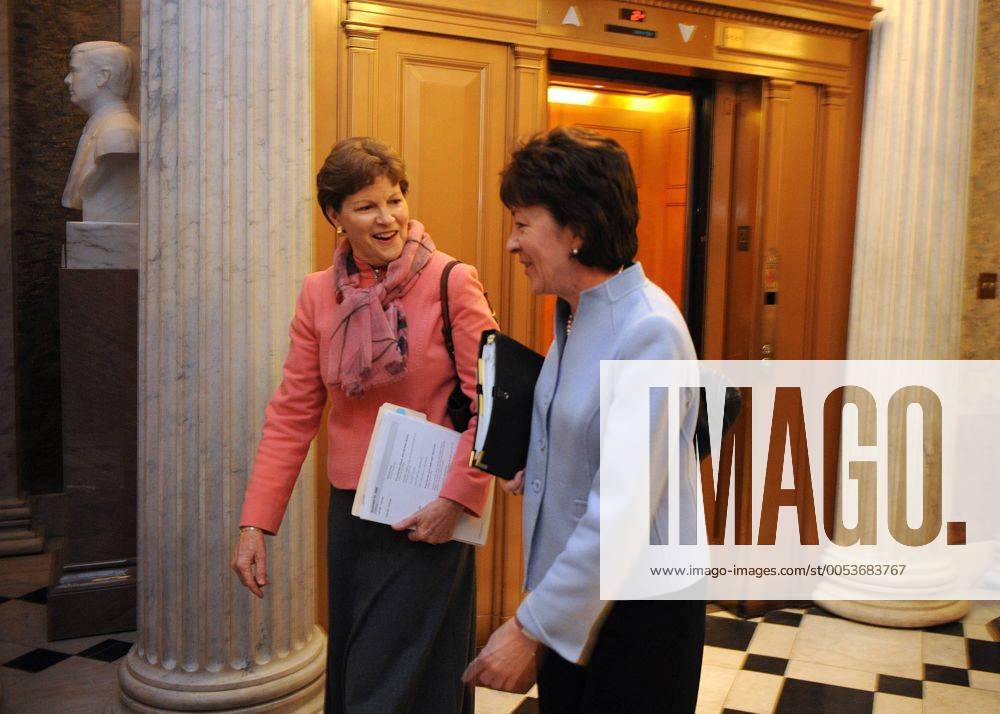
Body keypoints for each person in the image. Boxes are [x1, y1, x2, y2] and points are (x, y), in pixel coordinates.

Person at [231, 137, 496, 713]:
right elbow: (293, 412)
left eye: (395, 200)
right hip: (352, 516)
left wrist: (459, 498)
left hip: (429, 515)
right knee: (362, 671)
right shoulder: (317, 294)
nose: (388, 219)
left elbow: (492, 405)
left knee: (389, 683)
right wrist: (256, 524)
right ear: (335, 216)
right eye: (367, 206)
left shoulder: (452, 282)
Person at [464, 126, 705, 712]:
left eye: (523, 224)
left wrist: (527, 629)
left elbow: (621, 511)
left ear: (577, 230)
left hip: (638, 614)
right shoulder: (575, 316)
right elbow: (587, 433)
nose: (511, 244)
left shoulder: (647, 330)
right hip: (582, 597)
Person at [62, 41, 139, 222]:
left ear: (103, 76)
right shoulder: (101, 128)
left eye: (75, 70)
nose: (67, 79)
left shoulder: (119, 133)